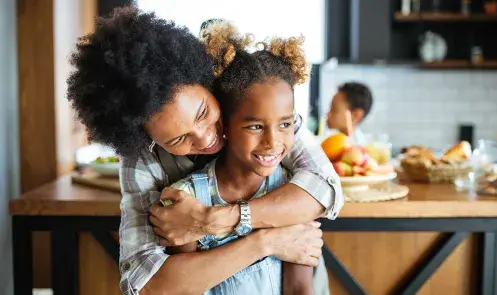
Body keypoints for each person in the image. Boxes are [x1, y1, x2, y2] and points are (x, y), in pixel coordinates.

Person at [66, 6, 343, 295]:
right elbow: (148, 286)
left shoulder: (259, 112)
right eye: (178, 139)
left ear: (205, 80)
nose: (206, 137)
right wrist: (266, 242)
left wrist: (213, 220)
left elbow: (326, 189)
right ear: (148, 140)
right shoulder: (145, 163)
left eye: (203, 112)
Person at [165, 21, 315, 294]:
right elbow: (185, 286)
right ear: (224, 126)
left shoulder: (292, 196)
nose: (272, 142)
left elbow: (300, 288)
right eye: (255, 127)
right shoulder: (187, 200)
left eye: (285, 124)